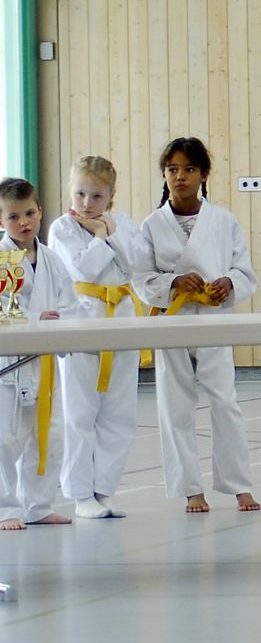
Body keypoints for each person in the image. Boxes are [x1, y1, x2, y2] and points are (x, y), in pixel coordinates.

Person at [134, 138, 261, 512]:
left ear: (204, 174)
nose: (180, 177)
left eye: (189, 169)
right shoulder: (152, 225)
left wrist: (229, 283)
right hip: (172, 319)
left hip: (213, 317)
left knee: (225, 400)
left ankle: (239, 485)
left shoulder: (223, 220)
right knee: (175, 404)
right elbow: (141, 277)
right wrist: (173, 282)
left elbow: (244, 270)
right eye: (172, 169)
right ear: (164, 175)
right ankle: (191, 489)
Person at [45, 156, 144, 519]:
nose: (87, 203)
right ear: (70, 192)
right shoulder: (62, 228)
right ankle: (79, 493)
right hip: (81, 319)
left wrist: (109, 232)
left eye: (97, 196)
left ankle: (104, 488)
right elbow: (83, 268)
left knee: (119, 412)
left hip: (121, 320)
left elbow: (133, 265)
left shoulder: (124, 224)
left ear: (111, 196)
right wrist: (101, 238)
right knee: (79, 412)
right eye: (80, 194)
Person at [0, 178, 75, 530]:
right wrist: (35, 319)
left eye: (29, 213)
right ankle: (5, 508)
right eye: (13, 217)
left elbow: (69, 304)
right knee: (6, 439)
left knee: (48, 435)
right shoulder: (3, 259)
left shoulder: (52, 259)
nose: (24, 222)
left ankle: (39, 505)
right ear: (1, 221)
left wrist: (60, 326)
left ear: (40, 212)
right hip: (10, 365)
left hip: (44, 362)